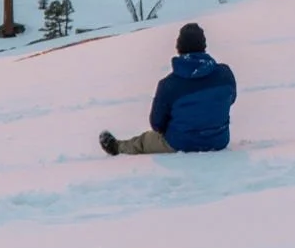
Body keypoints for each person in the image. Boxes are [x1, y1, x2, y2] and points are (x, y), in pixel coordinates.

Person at [100, 22, 236, 156]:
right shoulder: (225, 74)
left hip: (180, 143)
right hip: (219, 140)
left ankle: (117, 148)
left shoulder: (169, 85)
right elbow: (231, 99)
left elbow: (157, 124)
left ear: (179, 47)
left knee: (144, 140)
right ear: (203, 46)